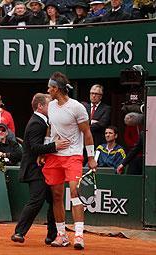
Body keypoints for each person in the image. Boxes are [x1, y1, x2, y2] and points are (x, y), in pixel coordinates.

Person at [42, 72, 97, 250]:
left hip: (73, 155)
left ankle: (79, 235)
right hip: (54, 156)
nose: (48, 90)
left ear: (56, 89)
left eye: (50, 87)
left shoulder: (77, 107)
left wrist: (90, 157)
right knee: (57, 196)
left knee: (75, 192)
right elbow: (50, 129)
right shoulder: (50, 106)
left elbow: (87, 133)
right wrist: (45, 149)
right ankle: (62, 235)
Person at [11, 93, 70, 245]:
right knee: (37, 200)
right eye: (49, 104)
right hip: (34, 169)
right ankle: (19, 232)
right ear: (40, 106)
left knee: (53, 200)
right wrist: (54, 146)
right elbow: (34, 147)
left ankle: (52, 235)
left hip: (43, 168)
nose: (52, 107)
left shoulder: (43, 121)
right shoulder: (36, 123)